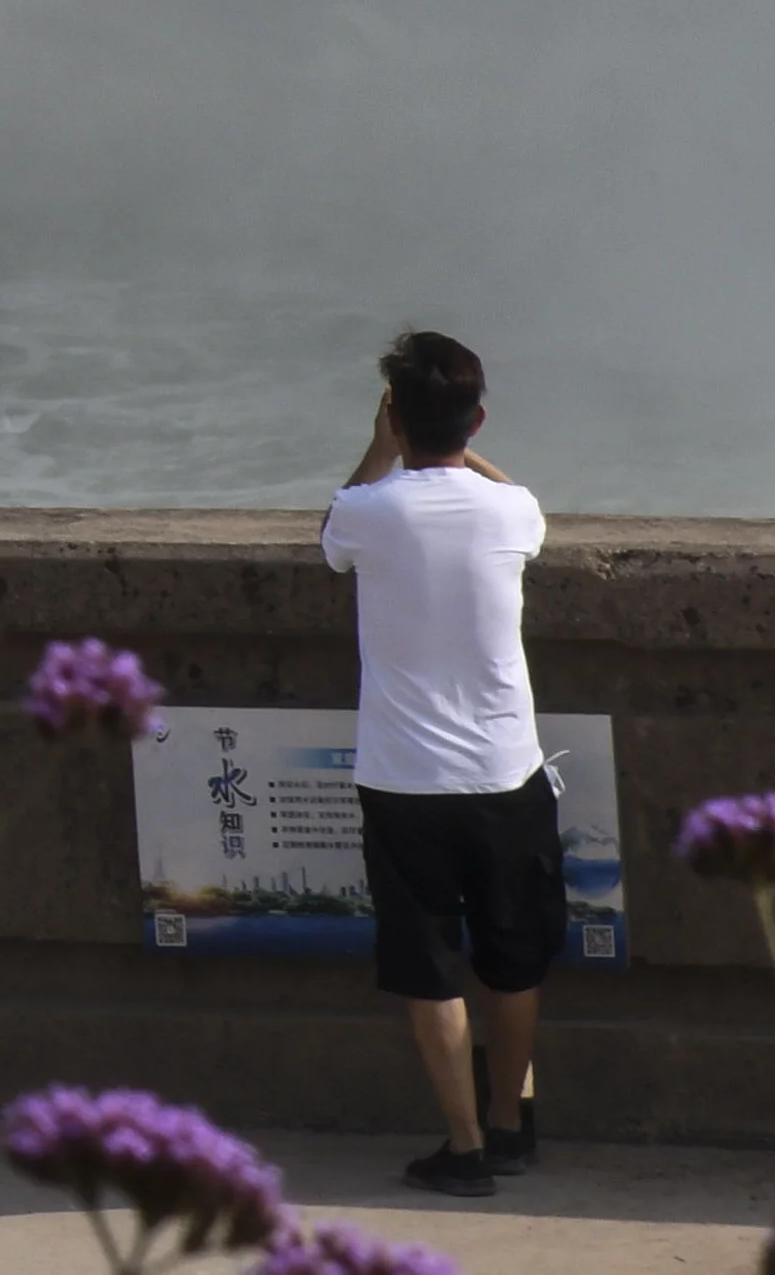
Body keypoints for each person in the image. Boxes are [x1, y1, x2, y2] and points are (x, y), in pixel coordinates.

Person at [326, 328, 556, 1200]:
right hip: (506, 769)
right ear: (477, 417)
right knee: (512, 957)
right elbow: (524, 505)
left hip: (402, 777)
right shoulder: (513, 510)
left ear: (393, 415)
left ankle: (460, 1149)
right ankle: (509, 1124)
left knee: (429, 963)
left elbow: (331, 533)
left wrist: (383, 447)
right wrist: (460, 443)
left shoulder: (367, 511)